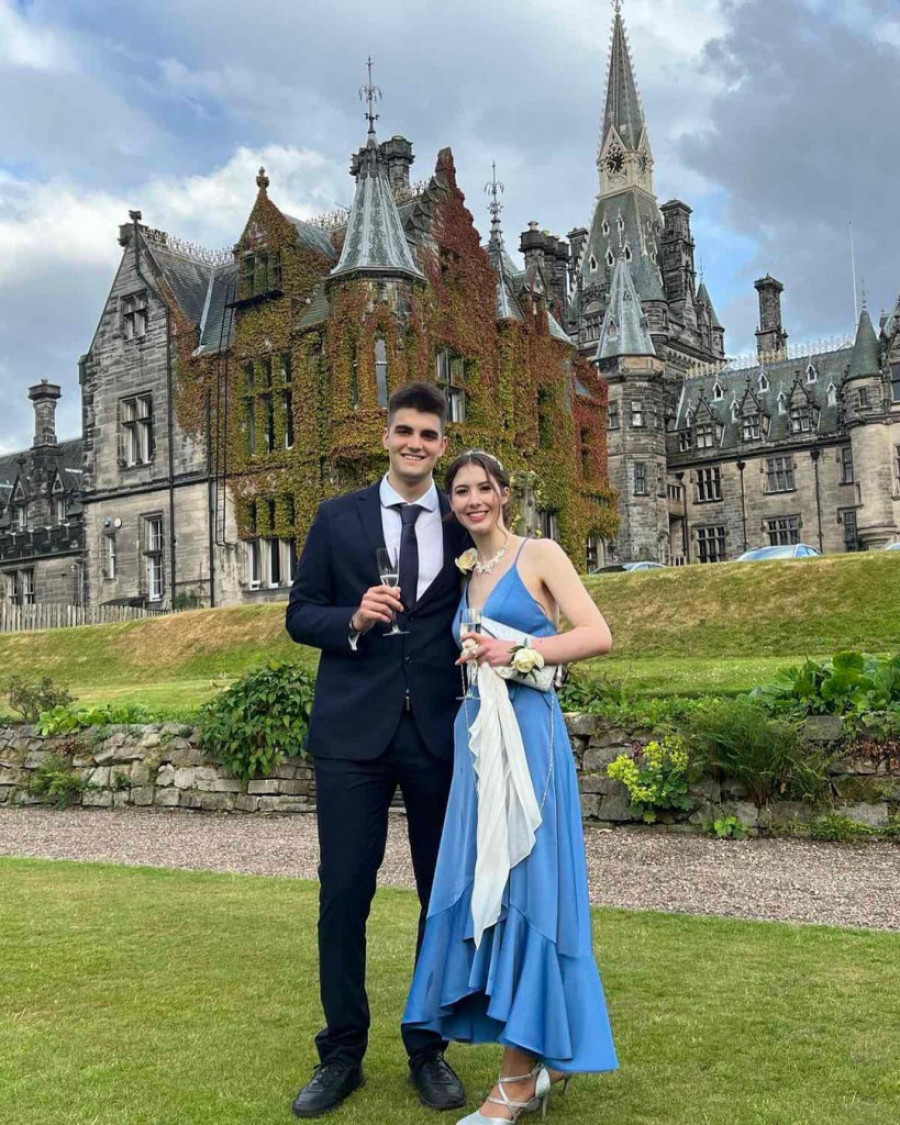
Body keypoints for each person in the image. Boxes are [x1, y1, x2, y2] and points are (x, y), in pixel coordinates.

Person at [403, 450, 619, 1123]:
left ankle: (518, 1081)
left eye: (483, 488)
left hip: (529, 740)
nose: (472, 499)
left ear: (504, 493)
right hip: (479, 742)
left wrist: (521, 651)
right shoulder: (466, 572)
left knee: (528, 887)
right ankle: (538, 1055)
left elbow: (597, 634)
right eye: (460, 491)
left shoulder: (540, 553)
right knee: (485, 887)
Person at [285, 382, 471, 1118]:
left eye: (428, 434)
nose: (415, 444)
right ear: (386, 437)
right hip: (351, 736)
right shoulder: (338, 517)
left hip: (437, 732)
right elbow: (300, 614)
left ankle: (428, 1047)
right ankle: (341, 1054)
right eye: (405, 431)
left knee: (439, 897)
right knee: (343, 894)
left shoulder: (462, 524)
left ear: (442, 445)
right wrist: (354, 618)